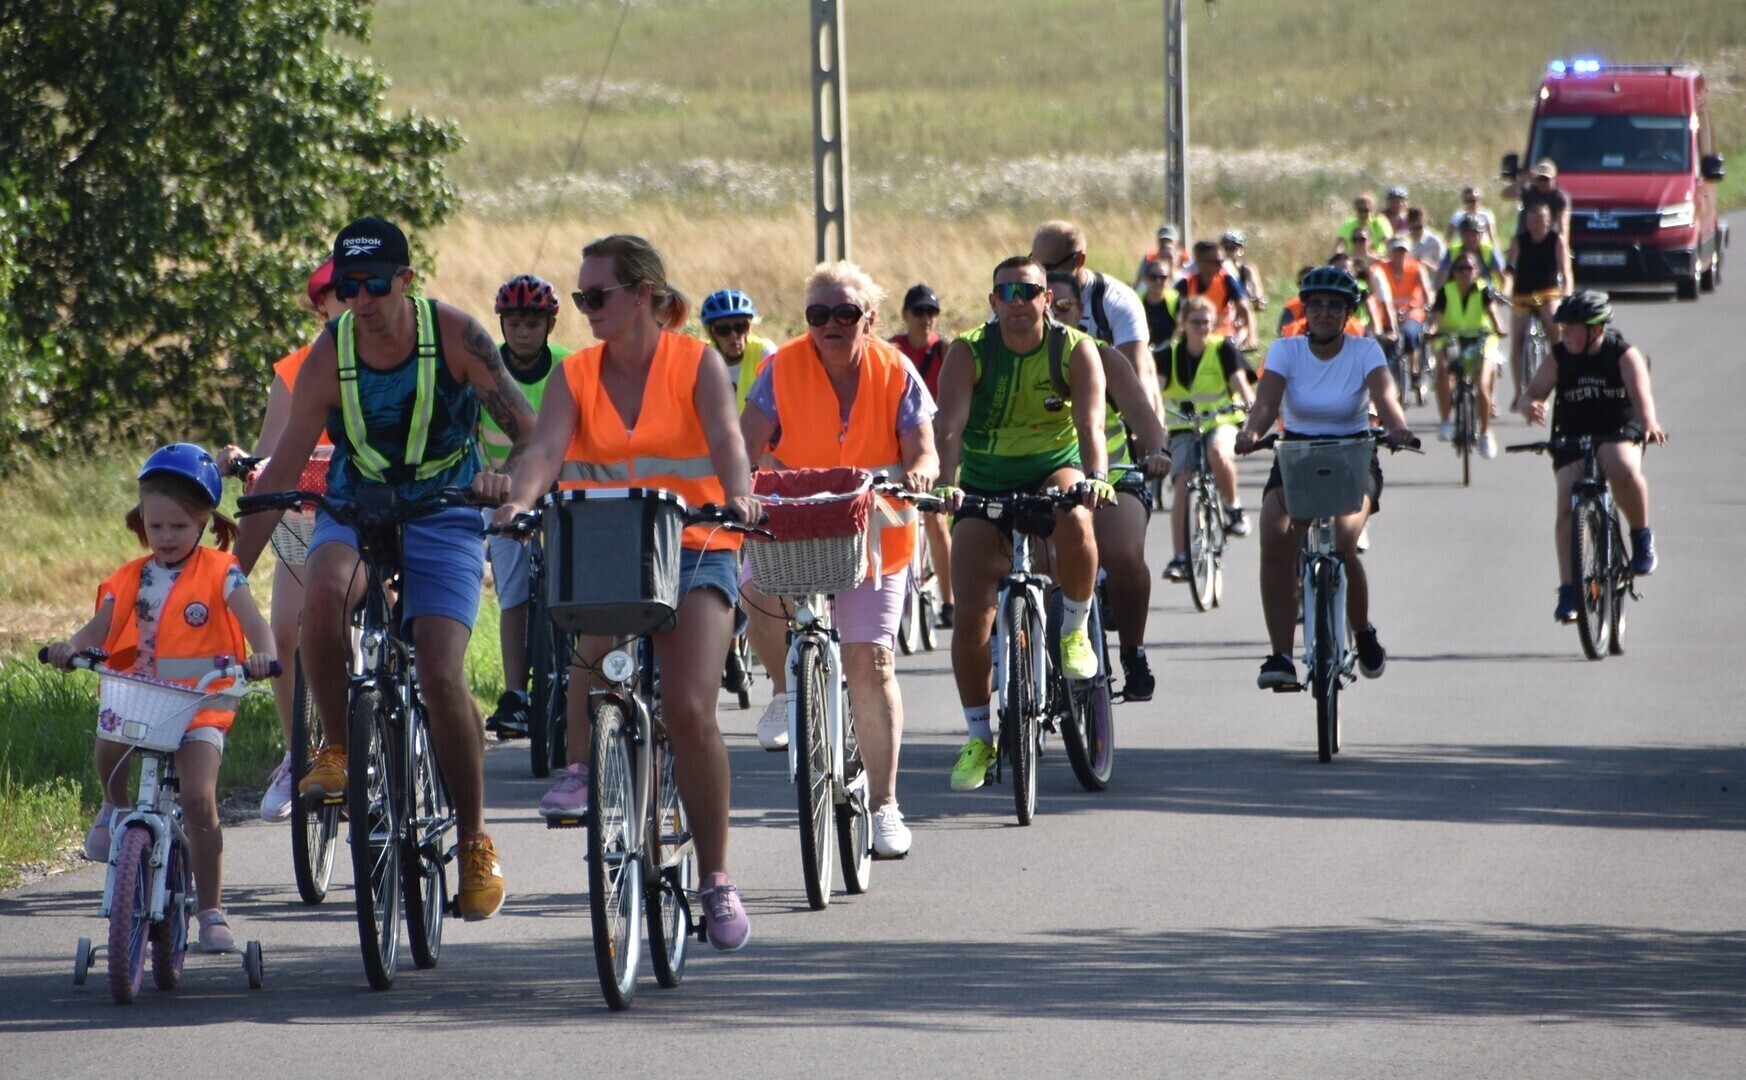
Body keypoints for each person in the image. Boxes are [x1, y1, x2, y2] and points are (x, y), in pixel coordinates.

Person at [235, 216, 536, 922]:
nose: (362, 300)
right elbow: (281, 471)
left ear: (406, 279)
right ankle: (338, 747)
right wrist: (223, 579)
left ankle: (474, 841)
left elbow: (528, 431)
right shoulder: (329, 354)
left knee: (440, 671)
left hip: (444, 507)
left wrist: (507, 483)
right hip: (356, 506)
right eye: (348, 287)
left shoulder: (455, 336)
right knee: (322, 596)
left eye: (376, 284)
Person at [494, 233, 758, 951]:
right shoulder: (574, 374)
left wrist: (739, 494)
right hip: (609, 542)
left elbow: (727, 440)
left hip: (696, 543)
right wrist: (519, 502)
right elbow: (545, 450)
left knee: (688, 706)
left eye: (596, 296)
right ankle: (584, 766)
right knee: (593, 644)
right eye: (581, 298)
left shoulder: (697, 362)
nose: (586, 309)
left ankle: (715, 877)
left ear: (643, 295)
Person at [739, 262, 938, 857]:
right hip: (793, 523)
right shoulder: (780, 368)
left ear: (869, 319)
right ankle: (785, 693)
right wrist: (735, 488)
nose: (831, 323)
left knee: (871, 662)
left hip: (876, 531)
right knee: (755, 589)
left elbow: (924, 451)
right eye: (818, 314)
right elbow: (743, 445)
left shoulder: (895, 369)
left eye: (846, 313)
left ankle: (884, 805)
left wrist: (920, 475)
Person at [45, 445, 277, 953]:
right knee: (110, 736)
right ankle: (114, 805)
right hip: (142, 700)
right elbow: (98, 627)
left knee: (198, 799)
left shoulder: (222, 572)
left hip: (203, 704)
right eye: (155, 526)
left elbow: (256, 623)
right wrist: (71, 648)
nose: (166, 537)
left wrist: (265, 655)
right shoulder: (133, 576)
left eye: (179, 526)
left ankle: (211, 910)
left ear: (204, 521)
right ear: (141, 521)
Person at [932, 256, 1111, 790]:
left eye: (1028, 291)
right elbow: (950, 425)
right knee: (971, 619)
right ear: (992, 301)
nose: (1017, 301)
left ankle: (1074, 628)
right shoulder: (968, 350)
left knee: (1076, 517)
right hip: (983, 481)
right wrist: (946, 483)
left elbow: (1090, 423)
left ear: (1046, 299)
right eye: (1006, 292)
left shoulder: (1074, 349)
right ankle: (978, 738)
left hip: (1052, 470)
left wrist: (1097, 477)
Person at [1234, 268, 1413, 690]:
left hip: (1353, 456)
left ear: (1349, 313)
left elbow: (1385, 396)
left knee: (1345, 541)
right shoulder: (1286, 350)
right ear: (1305, 310)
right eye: (1316, 304)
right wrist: (1251, 432)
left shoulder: (1365, 350)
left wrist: (1397, 428)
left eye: (1335, 306)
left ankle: (1362, 630)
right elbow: (1266, 403)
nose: (1325, 313)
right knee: (1275, 539)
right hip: (1296, 456)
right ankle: (1281, 655)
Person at [216, 258, 345, 822]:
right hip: (302, 522)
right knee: (285, 632)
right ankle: (298, 752)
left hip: (365, 517)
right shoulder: (293, 371)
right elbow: (270, 454)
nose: (355, 302)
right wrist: (244, 460)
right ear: (322, 307)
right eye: (340, 294)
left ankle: (389, 734)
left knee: (382, 622)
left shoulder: (386, 363)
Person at [1046, 272, 1171, 700]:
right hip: (1048, 485)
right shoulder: (1015, 361)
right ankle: (1034, 664)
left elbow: (1141, 412)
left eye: (1063, 306)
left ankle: (1134, 653)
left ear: (1080, 311)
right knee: (1039, 570)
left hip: (1113, 477)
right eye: (1047, 305)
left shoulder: (1104, 357)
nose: (1054, 314)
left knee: (1124, 555)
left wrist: (1158, 450)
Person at [1519, 292, 1667, 621]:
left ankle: (1641, 536)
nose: (1565, 335)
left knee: (1621, 465)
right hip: (1573, 433)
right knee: (1566, 500)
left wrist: (1649, 424)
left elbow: (1641, 395)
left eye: (1572, 329)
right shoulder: (1560, 357)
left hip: (1617, 429)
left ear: (1596, 330)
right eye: (1563, 328)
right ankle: (1570, 591)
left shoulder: (1623, 354)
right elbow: (1529, 396)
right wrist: (1529, 406)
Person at [479, 274, 571, 740]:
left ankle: (577, 675)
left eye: (532, 323)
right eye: (513, 323)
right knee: (513, 590)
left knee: (573, 584)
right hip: (500, 495)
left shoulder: (569, 368)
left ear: (550, 325)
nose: (522, 332)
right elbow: (469, 435)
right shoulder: (485, 370)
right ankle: (515, 693)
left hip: (561, 491)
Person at [1158, 296, 1255, 581]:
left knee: (1218, 453)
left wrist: (1249, 402)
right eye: (1196, 322)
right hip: (1183, 427)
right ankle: (1180, 558)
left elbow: (1240, 382)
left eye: (1207, 322)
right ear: (1183, 323)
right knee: (1181, 482)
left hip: (1220, 421)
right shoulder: (1168, 354)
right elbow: (1155, 390)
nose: (1202, 327)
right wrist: (1153, 415)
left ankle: (1234, 509)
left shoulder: (1222, 348)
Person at [890, 283, 955, 628]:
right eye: (919, 312)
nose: (926, 318)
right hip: (899, 439)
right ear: (905, 315)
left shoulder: (943, 351)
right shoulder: (893, 350)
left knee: (936, 518)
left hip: (934, 442)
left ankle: (949, 600)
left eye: (932, 312)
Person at [1424, 252, 1507, 455]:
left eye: (1469, 268)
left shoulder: (1483, 290)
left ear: (1476, 271)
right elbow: (1436, 318)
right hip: (1451, 338)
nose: (1464, 273)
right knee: (1443, 370)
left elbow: (1493, 313)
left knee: (1482, 384)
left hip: (1481, 339)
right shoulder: (1446, 291)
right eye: (1460, 268)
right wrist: (1431, 331)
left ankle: (1485, 433)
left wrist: (1499, 327)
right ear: (1454, 272)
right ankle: (1446, 420)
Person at [1505, 204, 1572, 407]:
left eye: (1540, 220)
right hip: (1523, 295)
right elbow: (1510, 270)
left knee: (1554, 325)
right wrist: (1505, 290)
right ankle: (1519, 392)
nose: (1535, 224)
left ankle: (1562, 379)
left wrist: (1567, 293)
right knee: (1517, 339)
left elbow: (1566, 271)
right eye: (1532, 220)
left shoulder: (1556, 240)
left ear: (1548, 221)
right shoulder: (1519, 241)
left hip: (1547, 293)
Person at [701, 288, 779, 415]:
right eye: (723, 329)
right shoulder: (700, 358)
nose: (733, 336)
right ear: (711, 333)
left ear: (750, 327)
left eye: (740, 327)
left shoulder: (764, 353)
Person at [1175, 239, 1257, 350]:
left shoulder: (1227, 280)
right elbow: (1174, 313)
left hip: (1223, 336)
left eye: (1222, 261)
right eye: (1216, 262)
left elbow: (1245, 309)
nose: (1221, 266)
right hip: (1195, 335)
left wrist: (1251, 335)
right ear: (1200, 263)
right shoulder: (1186, 283)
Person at [1380, 236, 1432, 380]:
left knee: (1410, 334)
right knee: (1385, 341)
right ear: (1391, 253)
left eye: (1403, 252)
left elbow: (1426, 290)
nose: (1400, 255)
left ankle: (1414, 370)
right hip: (1388, 314)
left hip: (1412, 313)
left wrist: (1428, 304)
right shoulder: (1382, 269)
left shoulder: (1416, 268)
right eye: (1396, 251)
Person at [1505, 159, 1572, 239]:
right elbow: (1506, 194)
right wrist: (1524, 179)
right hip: (1526, 236)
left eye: (1545, 179)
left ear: (1553, 178)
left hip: (1548, 238)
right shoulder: (1529, 191)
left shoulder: (1560, 197)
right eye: (1540, 179)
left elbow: (1563, 225)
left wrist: (1562, 243)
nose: (1542, 183)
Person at [1221, 229, 1268, 311]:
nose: (1228, 252)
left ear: (1240, 249)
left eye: (1232, 248)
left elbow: (1255, 286)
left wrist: (1257, 298)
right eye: (1225, 248)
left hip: (1240, 308)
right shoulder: (1217, 269)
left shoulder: (1247, 270)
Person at [1139, 258, 1181, 347]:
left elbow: (1180, 330)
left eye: (1163, 277)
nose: (1158, 281)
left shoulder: (1177, 301)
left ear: (1169, 279)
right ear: (1145, 279)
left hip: (1168, 351)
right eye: (1153, 277)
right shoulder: (1135, 300)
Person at [1135, 223, 1190, 287]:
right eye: (1162, 241)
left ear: (1177, 242)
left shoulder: (1186, 259)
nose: (1165, 244)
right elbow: (1139, 281)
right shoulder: (1149, 258)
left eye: (1169, 241)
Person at [1450, 185, 1500, 250]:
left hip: (1482, 248)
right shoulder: (1457, 216)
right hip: (1462, 248)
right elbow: (1449, 238)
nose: (1473, 203)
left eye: (1474, 200)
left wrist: (1497, 250)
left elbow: (1492, 236)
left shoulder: (1486, 215)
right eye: (1468, 201)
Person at [1405, 206, 1447, 272]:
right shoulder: (1403, 241)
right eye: (1413, 228)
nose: (1416, 231)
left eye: (1419, 227)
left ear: (1424, 222)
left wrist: (1423, 265)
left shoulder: (1436, 241)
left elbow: (1443, 269)